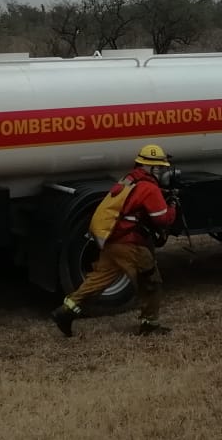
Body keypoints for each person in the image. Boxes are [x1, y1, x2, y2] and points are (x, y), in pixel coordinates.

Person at [50, 143, 178, 337]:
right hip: (130, 244)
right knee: (152, 282)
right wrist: (173, 206)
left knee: (98, 281)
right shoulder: (149, 188)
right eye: (160, 168)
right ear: (151, 168)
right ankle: (150, 325)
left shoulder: (128, 180)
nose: (162, 172)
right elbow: (162, 218)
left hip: (112, 241)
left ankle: (65, 312)